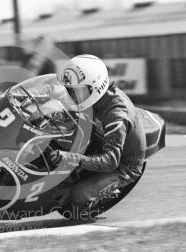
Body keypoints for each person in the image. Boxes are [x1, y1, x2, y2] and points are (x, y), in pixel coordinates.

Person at [49, 54, 147, 212]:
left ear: (95, 88)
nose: (72, 96)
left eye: (76, 92)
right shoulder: (94, 96)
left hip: (123, 165)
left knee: (77, 197)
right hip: (98, 136)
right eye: (69, 91)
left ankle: (92, 202)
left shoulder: (116, 116)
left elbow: (110, 161)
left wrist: (72, 158)